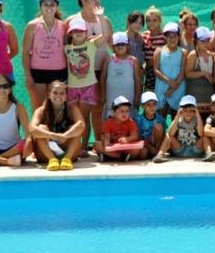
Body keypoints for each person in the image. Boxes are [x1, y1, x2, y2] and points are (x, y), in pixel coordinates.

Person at [65, 17, 106, 151]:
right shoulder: (66, 48)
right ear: (70, 33)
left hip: (88, 88)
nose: (78, 33)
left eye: (81, 30)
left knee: (84, 119)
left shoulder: (91, 45)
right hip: (72, 88)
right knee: (73, 119)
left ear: (86, 32)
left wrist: (100, 18)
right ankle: (74, 146)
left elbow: (105, 35)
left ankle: (83, 148)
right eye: (75, 30)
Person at [21, 0, 67, 108]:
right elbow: (25, 52)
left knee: (56, 108)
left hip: (59, 73)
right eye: (45, 4)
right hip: (37, 73)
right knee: (39, 109)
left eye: (52, 4)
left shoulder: (64, 26)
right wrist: (28, 75)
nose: (49, 7)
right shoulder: (32, 26)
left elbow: (67, 51)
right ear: (40, 6)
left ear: (57, 6)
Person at [29, 80, 85, 170]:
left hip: (67, 151)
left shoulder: (72, 109)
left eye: (62, 93)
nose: (58, 96)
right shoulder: (41, 111)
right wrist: (53, 135)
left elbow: (81, 125)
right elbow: (32, 129)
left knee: (75, 129)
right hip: (45, 154)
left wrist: (65, 136)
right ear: (49, 95)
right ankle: (52, 159)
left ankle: (67, 159)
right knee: (41, 128)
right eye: (55, 92)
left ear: (66, 96)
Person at [153, 95, 205, 162]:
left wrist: (198, 115)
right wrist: (177, 116)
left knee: (205, 137)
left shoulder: (197, 120)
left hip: (195, 149)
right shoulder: (178, 119)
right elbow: (170, 133)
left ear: (195, 111)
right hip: (180, 149)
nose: (188, 113)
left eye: (191, 110)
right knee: (168, 137)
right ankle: (159, 155)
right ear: (181, 111)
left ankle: (209, 153)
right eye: (185, 110)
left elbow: (201, 134)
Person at [95, 96, 147, 161]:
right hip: (113, 146)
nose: (124, 114)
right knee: (97, 144)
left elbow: (135, 136)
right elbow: (106, 136)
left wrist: (127, 139)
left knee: (143, 151)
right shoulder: (108, 122)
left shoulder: (130, 122)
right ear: (114, 112)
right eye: (121, 111)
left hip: (126, 147)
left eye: (127, 111)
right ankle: (121, 157)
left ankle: (109, 156)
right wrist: (107, 143)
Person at [102, 31, 141, 118]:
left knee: (128, 118)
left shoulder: (133, 60)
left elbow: (137, 79)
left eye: (123, 44)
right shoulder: (108, 59)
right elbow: (103, 77)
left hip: (129, 97)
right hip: (111, 97)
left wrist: (137, 96)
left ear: (127, 46)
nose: (120, 47)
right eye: (117, 44)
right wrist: (103, 95)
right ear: (113, 46)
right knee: (111, 120)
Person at [153, 22, 187, 118]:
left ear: (179, 37)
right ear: (165, 37)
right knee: (160, 118)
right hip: (161, 90)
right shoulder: (158, 51)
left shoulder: (184, 52)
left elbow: (182, 73)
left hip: (178, 89)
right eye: (169, 36)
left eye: (174, 36)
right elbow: (156, 70)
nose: (172, 39)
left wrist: (173, 88)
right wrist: (169, 82)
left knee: (177, 119)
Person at [185, 26, 215, 114]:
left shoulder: (212, 55)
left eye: (207, 40)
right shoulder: (193, 55)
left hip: (209, 95)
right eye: (202, 41)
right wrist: (204, 73)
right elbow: (188, 73)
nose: (205, 43)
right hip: (195, 95)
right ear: (196, 41)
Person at [134, 90, 168, 158]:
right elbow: (137, 137)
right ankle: (156, 153)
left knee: (158, 127)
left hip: (155, 143)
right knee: (143, 153)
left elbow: (164, 135)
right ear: (142, 106)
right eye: (148, 104)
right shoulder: (138, 120)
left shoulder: (160, 119)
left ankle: (157, 151)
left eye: (154, 104)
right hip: (144, 144)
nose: (151, 107)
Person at [141, 6, 167, 92]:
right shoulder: (143, 36)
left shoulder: (164, 36)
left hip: (162, 72)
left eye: (154, 20)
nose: (151, 23)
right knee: (149, 96)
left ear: (159, 21)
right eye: (148, 20)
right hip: (149, 73)